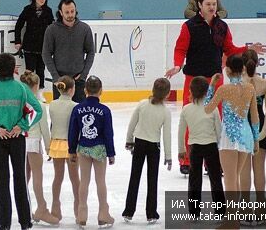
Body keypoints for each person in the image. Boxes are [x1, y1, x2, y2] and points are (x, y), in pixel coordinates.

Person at [165, 0, 266, 174]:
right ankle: (187, 159)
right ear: (200, 6)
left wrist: (248, 48)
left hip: (215, 79)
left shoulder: (222, 27)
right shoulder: (189, 26)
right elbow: (180, 49)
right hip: (194, 80)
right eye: (208, 4)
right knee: (192, 118)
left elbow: (230, 49)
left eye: (214, 4)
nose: (212, 7)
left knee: (215, 120)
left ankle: (212, 161)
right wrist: (177, 66)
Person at [0, 53, 42, 230]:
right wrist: (22, 126)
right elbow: (37, 110)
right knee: (20, 178)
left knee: (1, 180)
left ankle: (4, 224)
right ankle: (25, 221)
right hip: (17, 139)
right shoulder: (21, 88)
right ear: (13, 69)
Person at [204, 55, 260, 229]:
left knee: (229, 179)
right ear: (242, 69)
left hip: (229, 136)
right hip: (246, 136)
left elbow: (207, 108)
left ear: (228, 70)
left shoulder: (224, 89)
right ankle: (233, 219)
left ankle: (232, 221)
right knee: (234, 177)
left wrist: (212, 86)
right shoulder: (250, 88)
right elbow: (255, 116)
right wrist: (256, 139)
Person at [122, 78, 172, 224]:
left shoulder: (142, 104)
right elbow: (167, 135)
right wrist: (168, 156)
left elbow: (132, 124)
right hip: (153, 147)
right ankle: (151, 213)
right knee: (152, 179)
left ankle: (128, 211)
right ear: (167, 94)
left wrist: (129, 140)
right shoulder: (165, 111)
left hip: (139, 144)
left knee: (134, 177)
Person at [68, 76, 115, 228]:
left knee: (85, 180)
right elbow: (108, 133)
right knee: (100, 181)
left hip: (84, 148)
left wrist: (71, 150)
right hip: (99, 148)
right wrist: (111, 153)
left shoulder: (78, 109)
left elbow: (73, 131)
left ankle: (82, 214)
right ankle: (103, 214)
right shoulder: (105, 110)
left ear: (85, 90)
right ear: (101, 91)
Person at [178, 76, 225, 219]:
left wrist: (181, 149)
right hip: (211, 147)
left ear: (191, 91)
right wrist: (221, 150)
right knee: (215, 179)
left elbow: (181, 132)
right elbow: (219, 131)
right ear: (206, 92)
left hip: (195, 148)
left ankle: (194, 212)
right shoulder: (213, 109)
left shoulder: (186, 109)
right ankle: (220, 211)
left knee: (194, 180)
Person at [19, 71, 59, 225]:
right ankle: (41, 208)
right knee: (37, 176)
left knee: (24, 177)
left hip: (21, 142)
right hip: (34, 142)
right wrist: (49, 148)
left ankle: (25, 207)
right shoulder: (39, 105)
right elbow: (44, 129)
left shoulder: (19, 103)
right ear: (36, 86)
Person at [239, 49, 266, 225]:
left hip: (243, 130)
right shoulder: (265, 84)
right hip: (259, 130)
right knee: (260, 169)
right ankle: (261, 208)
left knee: (244, 171)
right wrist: (263, 131)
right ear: (257, 63)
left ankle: (245, 209)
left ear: (243, 65)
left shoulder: (238, 84)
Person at [42, 0, 94, 102]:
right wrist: (55, 76)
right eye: (67, 12)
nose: (70, 15)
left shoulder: (85, 29)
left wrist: (84, 74)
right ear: (61, 12)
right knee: (60, 115)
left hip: (79, 81)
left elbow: (91, 52)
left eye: (72, 11)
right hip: (60, 81)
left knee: (79, 115)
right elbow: (46, 54)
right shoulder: (51, 30)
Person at [48, 76, 80, 222]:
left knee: (58, 177)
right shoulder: (75, 106)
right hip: (70, 145)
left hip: (55, 143)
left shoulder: (52, 104)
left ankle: (55, 208)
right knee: (75, 179)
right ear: (72, 89)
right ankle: (79, 209)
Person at [14, 0, 54, 98]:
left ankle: (40, 91)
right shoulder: (27, 10)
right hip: (29, 45)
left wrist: (52, 44)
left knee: (41, 69)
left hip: (43, 46)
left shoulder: (48, 11)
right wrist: (17, 41)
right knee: (29, 70)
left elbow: (52, 28)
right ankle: (28, 91)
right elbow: (18, 26)